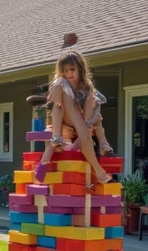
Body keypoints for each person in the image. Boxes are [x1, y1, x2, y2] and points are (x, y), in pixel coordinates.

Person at [35, 52, 113, 185]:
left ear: (80, 69)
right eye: (64, 71)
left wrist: (82, 134)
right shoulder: (62, 83)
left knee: (92, 110)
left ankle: (99, 157)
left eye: (72, 70)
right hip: (61, 125)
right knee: (61, 91)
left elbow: (93, 115)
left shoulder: (88, 89)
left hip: (81, 126)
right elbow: (55, 105)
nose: (68, 74)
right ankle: (55, 141)